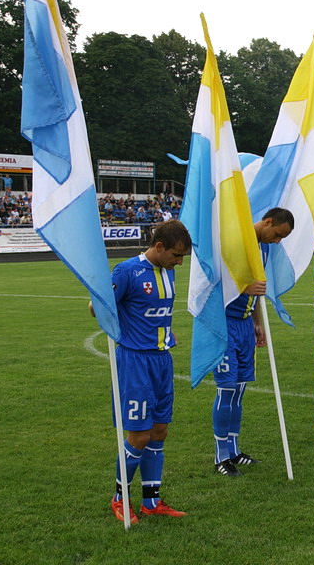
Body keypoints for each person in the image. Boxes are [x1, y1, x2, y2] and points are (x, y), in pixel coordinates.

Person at [101, 220, 192, 523]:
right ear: (159, 246)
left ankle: (151, 502)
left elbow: (155, 312)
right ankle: (119, 499)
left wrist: (166, 333)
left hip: (161, 360)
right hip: (135, 362)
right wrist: (97, 303)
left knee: (159, 431)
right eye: (176, 255)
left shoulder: (169, 271)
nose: (179, 262)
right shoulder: (127, 271)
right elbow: (98, 306)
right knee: (138, 435)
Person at [213, 208, 294, 475]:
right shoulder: (237, 240)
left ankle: (234, 450)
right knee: (226, 390)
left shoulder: (265, 248)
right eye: (278, 234)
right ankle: (220, 456)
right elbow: (214, 279)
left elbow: (257, 288)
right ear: (268, 222)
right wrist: (244, 288)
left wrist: (257, 321)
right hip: (224, 324)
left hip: (246, 324)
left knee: (239, 390)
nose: (277, 241)